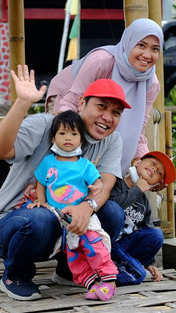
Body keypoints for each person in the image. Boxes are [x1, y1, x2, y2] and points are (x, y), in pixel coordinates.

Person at [0, 65, 129, 301]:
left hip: (65, 225)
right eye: (101, 106)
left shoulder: (111, 140)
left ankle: (67, 270)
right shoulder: (47, 125)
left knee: (112, 212)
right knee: (43, 218)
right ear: (82, 103)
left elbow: (106, 184)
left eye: (116, 112)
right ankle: (16, 275)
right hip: (15, 224)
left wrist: (86, 207)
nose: (107, 117)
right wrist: (22, 102)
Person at [46, 18, 164, 172]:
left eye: (155, 49)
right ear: (128, 42)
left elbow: (137, 128)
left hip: (102, 111)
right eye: (141, 45)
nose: (147, 55)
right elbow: (71, 102)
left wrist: (144, 161)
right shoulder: (101, 62)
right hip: (66, 98)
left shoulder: (151, 84)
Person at [29, 110, 118, 301]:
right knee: (73, 252)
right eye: (62, 133)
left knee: (93, 244)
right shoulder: (48, 162)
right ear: (53, 138)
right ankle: (92, 284)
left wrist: (96, 187)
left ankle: (109, 281)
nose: (68, 138)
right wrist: (41, 201)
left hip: (82, 215)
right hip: (61, 218)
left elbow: (99, 183)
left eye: (73, 134)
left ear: (81, 139)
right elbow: (41, 183)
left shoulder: (85, 165)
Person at [109, 150, 176, 285]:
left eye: (159, 173)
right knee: (138, 275)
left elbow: (145, 231)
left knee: (156, 235)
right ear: (137, 162)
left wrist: (148, 262)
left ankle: (123, 268)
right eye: (153, 163)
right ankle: (108, 273)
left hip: (123, 248)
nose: (154, 169)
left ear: (156, 185)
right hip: (107, 243)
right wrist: (137, 189)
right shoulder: (115, 183)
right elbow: (111, 207)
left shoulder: (144, 203)